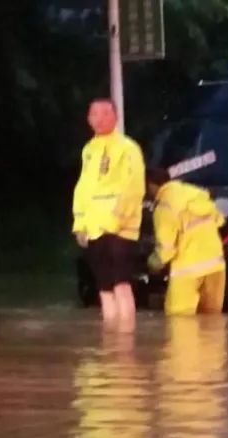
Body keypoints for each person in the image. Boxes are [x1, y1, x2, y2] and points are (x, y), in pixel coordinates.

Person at [72, 99, 145, 331]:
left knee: (121, 284)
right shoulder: (89, 150)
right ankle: (111, 338)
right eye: (94, 114)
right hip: (94, 226)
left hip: (121, 227)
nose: (100, 118)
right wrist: (80, 222)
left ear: (115, 117)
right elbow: (83, 187)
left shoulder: (127, 147)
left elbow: (134, 186)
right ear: (88, 119)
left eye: (105, 113)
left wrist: (119, 217)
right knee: (103, 287)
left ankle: (126, 339)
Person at [145, 166, 227, 316]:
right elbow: (219, 220)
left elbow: (166, 248)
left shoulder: (164, 204)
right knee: (211, 323)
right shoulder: (196, 193)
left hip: (187, 271)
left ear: (151, 185)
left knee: (178, 321)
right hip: (216, 266)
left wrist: (152, 263)